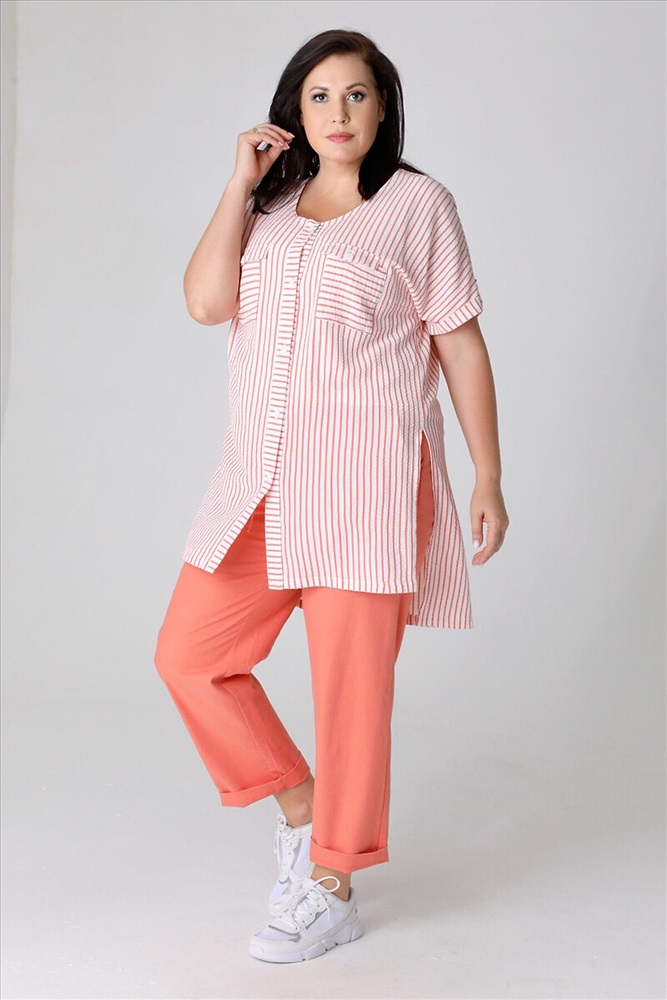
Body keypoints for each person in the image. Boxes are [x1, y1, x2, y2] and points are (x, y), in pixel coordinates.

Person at [153, 28, 509, 964]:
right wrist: (238, 185)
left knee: (350, 697)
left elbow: (459, 341)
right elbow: (205, 304)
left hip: (367, 485)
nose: (338, 112)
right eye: (319, 96)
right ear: (293, 112)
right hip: (261, 482)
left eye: (356, 94)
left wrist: (487, 474)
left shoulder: (418, 206)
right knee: (189, 657)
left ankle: (333, 885)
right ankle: (303, 805)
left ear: (383, 108)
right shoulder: (266, 206)